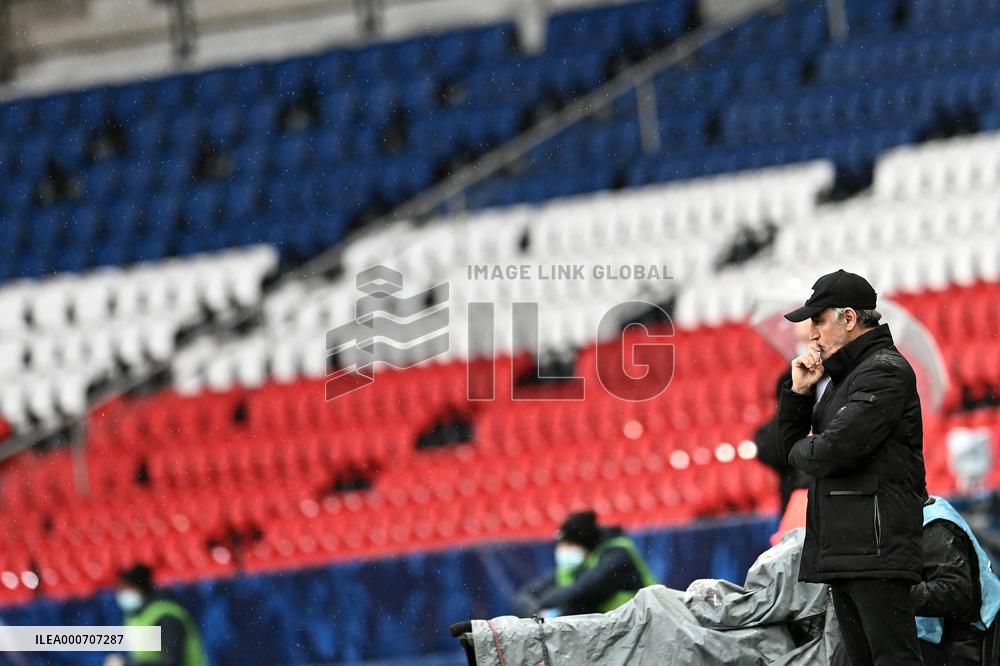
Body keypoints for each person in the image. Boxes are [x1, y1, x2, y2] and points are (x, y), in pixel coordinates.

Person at [779, 269, 927, 666]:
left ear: (848, 318)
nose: (811, 333)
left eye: (818, 320)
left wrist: (803, 447)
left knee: (894, 660)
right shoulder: (844, 378)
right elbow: (792, 450)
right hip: (851, 548)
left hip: (875, 548)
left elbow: (830, 452)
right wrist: (798, 394)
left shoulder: (885, 371)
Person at [513, 510, 657, 617]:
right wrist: (535, 610)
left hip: (643, 622)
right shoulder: (576, 565)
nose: (563, 550)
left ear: (583, 544)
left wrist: (542, 607)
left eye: (569, 544)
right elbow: (524, 595)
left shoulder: (618, 554)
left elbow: (582, 590)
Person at [915, 496, 1000, 666]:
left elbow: (954, 592)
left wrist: (893, 594)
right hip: (939, 638)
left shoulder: (933, 523)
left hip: (969, 637)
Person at [755, 319, 830, 511]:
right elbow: (772, 447)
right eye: (802, 342)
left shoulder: (843, 379)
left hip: (832, 492)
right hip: (798, 492)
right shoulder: (787, 381)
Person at [104, 564, 206, 666]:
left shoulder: (166, 617)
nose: (121, 594)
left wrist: (127, 664)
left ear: (140, 588)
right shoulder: (137, 618)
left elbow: (172, 662)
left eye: (125, 588)